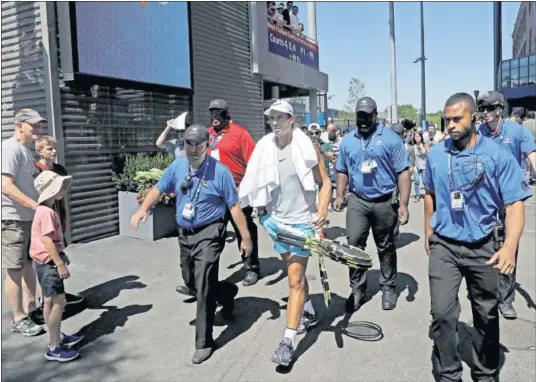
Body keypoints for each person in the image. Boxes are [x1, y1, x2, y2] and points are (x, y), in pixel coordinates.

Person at [424, 92, 531, 382]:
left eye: (457, 118)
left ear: (473, 116)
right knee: (443, 314)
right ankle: (448, 373)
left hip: (484, 246)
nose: (450, 125)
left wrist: (509, 246)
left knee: (486, 315)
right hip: (445, 246)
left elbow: (515, 204)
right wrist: (428, 232)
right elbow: (430, 193)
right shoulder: (436, 154)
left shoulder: (497, 155)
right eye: (447, 119)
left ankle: (485, 372)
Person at [131, 124, 253, 365]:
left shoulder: (220, 172)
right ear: (184, 144)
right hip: (185, 233)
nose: (194, 148)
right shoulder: (178, 166)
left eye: (199, 143)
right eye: (189, 143)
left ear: (208, 145)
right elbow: (158, 189)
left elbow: (233, 207)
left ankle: (204, 342)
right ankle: (227, 292)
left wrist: (246, 237)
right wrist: (143, 209)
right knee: (190, 280)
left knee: (204, 286)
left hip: (210, 231)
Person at [238, 100, 331, 367]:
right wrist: (264, 215)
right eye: (271, 118)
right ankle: (309, 312)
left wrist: (322, 211)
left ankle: (287, 342)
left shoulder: (306, 147)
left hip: (302, 223)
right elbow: (257, 182)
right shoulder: (265, 147)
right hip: (276, 223)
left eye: (280, 118)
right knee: (296, 276)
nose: (274, 123)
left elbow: (325, 184)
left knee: (293, 281)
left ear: (292, 119)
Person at [334, 97, 411, 312]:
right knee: (353, 244)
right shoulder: (348, 141)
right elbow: (341, 170)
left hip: (385, 201)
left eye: (368, 117)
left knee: (385, 246)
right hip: (358, 200)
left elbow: (403, 172)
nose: (364, 121)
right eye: (360, 117)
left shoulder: (391, 139)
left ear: (376, 115)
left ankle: (388, 287)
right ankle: (358, 289)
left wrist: (403, 204)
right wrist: (340, 195)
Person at [477, 91, 536, 319]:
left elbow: (532, 157)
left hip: (510, 200)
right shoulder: (479, 133)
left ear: (500, 109)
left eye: (490, 108)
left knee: (509, 246)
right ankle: (484, 293)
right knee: (483, 245)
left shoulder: (517, 132)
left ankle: (506, 299)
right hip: (484, 199)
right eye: (482, 109)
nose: (485, 113)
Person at [206, 99, 260, 286]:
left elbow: (253, 164)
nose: (215, 116)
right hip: (215, 194)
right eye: (212, 112)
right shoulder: (209, 135)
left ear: (226, 113)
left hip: (237, 191)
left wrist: (245, 187)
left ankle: (252, 268)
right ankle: (207, 277)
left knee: (244, 230)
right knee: (213, 235)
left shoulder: (240, 134)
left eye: (218, 112)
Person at [2, 108, 46, 336]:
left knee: (29, 265)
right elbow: (5, 186)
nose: (38, 129)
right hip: (13, 219)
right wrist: (34, 205)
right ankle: (18, 318)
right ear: (19, 125)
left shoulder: (25, 151)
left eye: (39, 125)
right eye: (33, 125)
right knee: (15, 269)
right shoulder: (10, 149)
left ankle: (31, 309)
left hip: (28, 218)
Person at [31, 170, 82, 362]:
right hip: (48, 264)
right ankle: (53, 347)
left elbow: (49, 240)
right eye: (59, 187)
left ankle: (56, 335)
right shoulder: (47, 213)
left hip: (43, 262)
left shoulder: (45, 210)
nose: (62, 190)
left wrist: (61, 254)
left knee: (49, 302)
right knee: (58, 303)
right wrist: (59, 263)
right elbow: (47, 241)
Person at [35, 136, 84, 308]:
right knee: (48, 259)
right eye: (49, 148)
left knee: (59, 251)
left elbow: (62, 196)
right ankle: (46, 301)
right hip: (45, 219)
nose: (53, 151)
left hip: (58, 217)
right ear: (39, 151)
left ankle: (59, 293)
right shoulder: (37, 171)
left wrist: (65, 217)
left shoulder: (60, 169)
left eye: (55, 148)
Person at [412, 130, 428, 202]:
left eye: (418, 136)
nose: (417, 137)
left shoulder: (425, 145)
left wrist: (421, 149)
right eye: (416, 136)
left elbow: (427, 154)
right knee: (416, 181)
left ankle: (428, 194)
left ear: (421, 137)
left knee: (425, 181)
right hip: (416, 166)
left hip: (424, 165)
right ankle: (417, 196)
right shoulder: (413, 147)